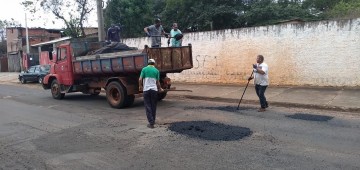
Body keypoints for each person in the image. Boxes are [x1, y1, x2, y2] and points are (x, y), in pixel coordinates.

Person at [139, 59, 164, 128]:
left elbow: (140, 79)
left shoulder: (144, 69)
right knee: (153, 106)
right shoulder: (156, 71)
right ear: (154, 64)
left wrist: (140, 86)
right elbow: (158, 82)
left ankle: (151, 123)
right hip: (154, 90)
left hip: (146, 90)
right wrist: (160, 88)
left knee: (148, 106)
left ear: (148, 63)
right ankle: (153, 120)